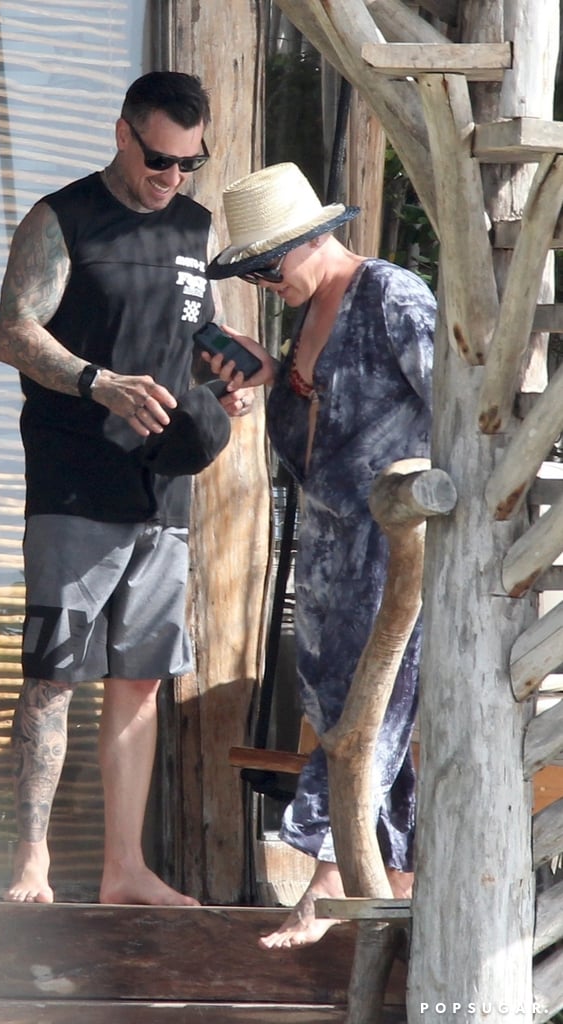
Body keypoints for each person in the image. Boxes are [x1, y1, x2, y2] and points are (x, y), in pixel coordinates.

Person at [0, 71, 254, 906]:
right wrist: (97, 380)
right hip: (76, 481)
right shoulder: (61, 218)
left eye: (188, 162)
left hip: (162, 491)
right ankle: (31, 860)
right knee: (55, 673)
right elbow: (13, 333)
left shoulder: (192, 226)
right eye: (158, 158)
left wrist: (228, 367)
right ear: (122, 134)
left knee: (139, 677)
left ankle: (123, 870)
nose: (171, 176)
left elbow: (193, 328)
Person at [205, 162, 435, 948]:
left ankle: (325, 880)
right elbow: (318, 415)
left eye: (270, 266)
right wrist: (265, 381)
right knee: (339, 706)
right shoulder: (301, 319)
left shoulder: (389, 296)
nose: (266, 283)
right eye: (253, 273)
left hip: (393, 540)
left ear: (314, 237)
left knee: (367, 709)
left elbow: (461, 411)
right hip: (327, 541)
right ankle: (394, 889)